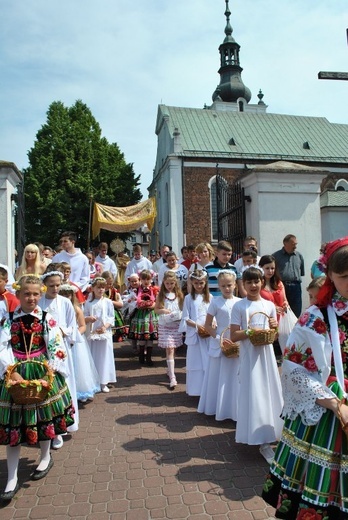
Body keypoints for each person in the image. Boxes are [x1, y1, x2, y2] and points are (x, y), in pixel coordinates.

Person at [262, 236, 348, 519]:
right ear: (330, 277)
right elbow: (295, 369)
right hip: (330, 407)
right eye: (345, 276)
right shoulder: (316, 317)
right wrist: (336, 404)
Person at [0, 275, 74, 501]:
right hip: (17, 372)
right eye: (26, 294)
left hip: (42, 372)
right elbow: (2, 345)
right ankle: (11, 477)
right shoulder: (8, 318)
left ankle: (45, 456)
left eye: (35, 294)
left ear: (40, 295)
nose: (31, 298)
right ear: (18, 294)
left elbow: (56, 346)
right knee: (14, 426)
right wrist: (11, 371)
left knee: (43, 417)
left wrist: (49, 371)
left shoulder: (46, 318)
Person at [230, 266, 283, 464]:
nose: (253, 285)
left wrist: (275, 328)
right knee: (255, 394)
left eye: (256, 281)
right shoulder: (240, 307)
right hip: (249, 356)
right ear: (243, 284)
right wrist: (251, 332)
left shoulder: (269, 305)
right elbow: (234, 335)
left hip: (266, 355)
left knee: (269, 392)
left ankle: (273, 431)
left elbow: (274, 336)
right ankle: (261, 441)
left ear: (262, 282)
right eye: (249, 282)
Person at [39, 268, 79, 448]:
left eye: (57, 285)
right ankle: (51, 427)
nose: (55, 289)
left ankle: (63, 426)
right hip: (43, 351)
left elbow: (73, 326)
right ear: (44, 286)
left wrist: (63, 331)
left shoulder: (65, 303)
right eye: (51, 286)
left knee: (63, 387)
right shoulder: (39, 303)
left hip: (61, 351)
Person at [198, 270, 240, 420]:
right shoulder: (215, 302)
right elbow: (207, 325)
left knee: (234, 376)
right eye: (223, 286)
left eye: (229, 285)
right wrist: (218, 338)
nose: (226, 288)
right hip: (220, 341)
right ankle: (218, 407)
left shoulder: (239, 302)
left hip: (235, 341)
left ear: (235, 285)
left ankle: (234, 408)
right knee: (219, 376)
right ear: (219, 287)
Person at [59, 284, 100, 402]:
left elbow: (82, 326)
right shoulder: (58, 307)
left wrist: (73, 335)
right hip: (61, 340)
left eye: (68, 294)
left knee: (78, 367)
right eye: (63, 294)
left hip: (75, 341)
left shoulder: (76, 309)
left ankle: (79, 390)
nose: (66, 297)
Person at [179, 270, 212, 396]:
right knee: (196, 362)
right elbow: (186, 318)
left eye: (201, 283)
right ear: (192, 283)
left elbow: (213, 315)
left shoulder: (210, 298)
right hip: (195, 335)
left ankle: (207, 389)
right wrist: (197, 326)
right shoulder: (188, 298)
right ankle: (196, 390)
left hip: (207, 335)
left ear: (205, 283)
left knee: (207, 362)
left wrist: (212, 323)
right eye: (196, 283)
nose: (199, 286)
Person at [84, 277, 116, 393]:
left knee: (104, 357)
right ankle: (94, 381)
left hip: (104, 333)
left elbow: (111, 317)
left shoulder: (107, 302)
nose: (101, 290)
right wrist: (88, 318)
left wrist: (105, 327)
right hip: (92, 333)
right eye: (98, 287)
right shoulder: (88, 302)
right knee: (93, 357)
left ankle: (104, 381)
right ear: (93, 288)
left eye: (103, 287)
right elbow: (84, 316)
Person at [155, 270, 184, 389]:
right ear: (163, 283)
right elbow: (156, 309)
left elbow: (182, 309)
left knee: (174, 347)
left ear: (175, 283)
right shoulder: (161, 295)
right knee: (170, 348)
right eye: (167, 283)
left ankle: (169, 368)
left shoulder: (179, 295)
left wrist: (179, 315)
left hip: (175, 325)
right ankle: (172, 376)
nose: (169, 286)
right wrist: (163, 310)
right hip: (165, 325)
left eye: (171, 283)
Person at [128, 270, 159, 366]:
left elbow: (158, 302)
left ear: (151, 279)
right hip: (140, 314)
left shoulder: (154, 289)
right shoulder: (136, 290)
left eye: (148, 279)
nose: (146, 281)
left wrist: (152, 305)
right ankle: (141, 356)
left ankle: (149, 357)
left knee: (149, 337)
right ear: (140, 279)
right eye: (144, 279)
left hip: (150, 314)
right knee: (142, 336)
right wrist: (138, 304)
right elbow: (132, 301)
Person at [272, 234, 305, 317]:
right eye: (293, 244)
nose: (295, 247)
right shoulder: (275, 256)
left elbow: (301, 272)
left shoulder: (299, 256)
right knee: (283, 309)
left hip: (296, 287)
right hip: (282, 286)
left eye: (296, 244)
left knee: (296, 311)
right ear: (285, 244)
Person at [101, 270, 126, 342]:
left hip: (112, 314)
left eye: (110, 284)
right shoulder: (97, 291)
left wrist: (110, 302)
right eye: (107, 284)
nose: (108, 286)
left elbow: (120, 304)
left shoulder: (114, 291)